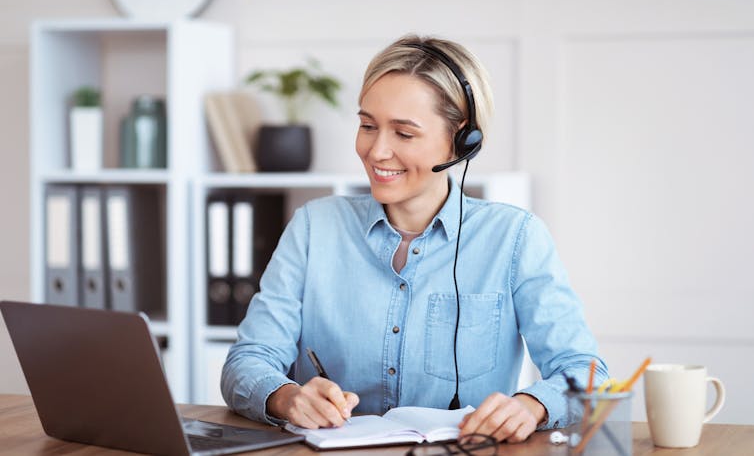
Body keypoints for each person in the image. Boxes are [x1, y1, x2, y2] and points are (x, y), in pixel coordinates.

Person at [221, 34, 608, 443]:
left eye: (404, 134)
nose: (377, 151)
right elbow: (247, 362)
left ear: (462, 140)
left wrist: (532, 406)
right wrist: (286, 397)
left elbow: (586, 373)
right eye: (368, 126)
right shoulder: (314, 227)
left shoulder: (514, 238)